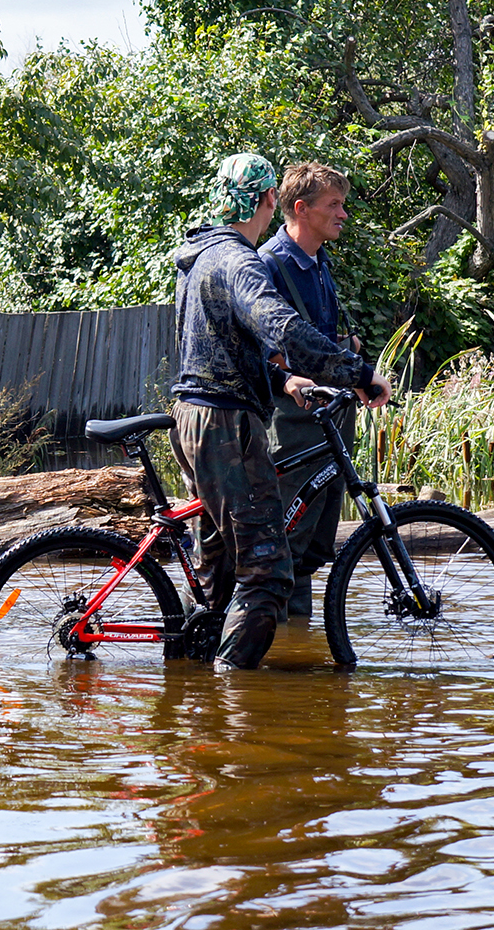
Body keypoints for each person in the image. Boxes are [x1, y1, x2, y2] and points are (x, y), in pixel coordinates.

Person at [169, 153, 391, 670]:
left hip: (195, 414)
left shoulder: (200, 255)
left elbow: (223, 351)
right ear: (270, 201)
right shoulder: (241, 261)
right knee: (268, 573)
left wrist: (282, 378)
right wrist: (358, 373)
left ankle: (186, 677)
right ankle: (229, 695)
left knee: (219, 570)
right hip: (226, 425)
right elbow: (284, 331)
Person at [260, 162, 360, 620]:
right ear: (300, 209)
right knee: (286, 535)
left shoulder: (320, 262)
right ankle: (276, 644)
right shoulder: (269, 266)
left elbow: (314, 338)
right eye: (333, 205)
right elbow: (257, 350)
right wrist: (288, 376)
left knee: (317, 538)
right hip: (292, 420)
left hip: (329, 417)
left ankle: (298, 645)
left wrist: (345, 349)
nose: (343, 214)